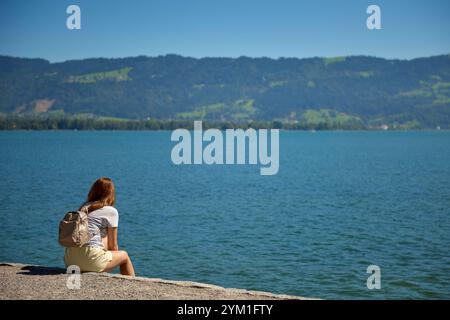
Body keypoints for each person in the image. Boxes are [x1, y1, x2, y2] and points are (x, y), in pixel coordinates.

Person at [64, 177, 135, 276]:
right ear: (110, 193)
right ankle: (131, 285)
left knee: (103, 236)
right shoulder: (110, 211)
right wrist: (112, 260)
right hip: (91, 259)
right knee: (124, 256)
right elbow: (113, 246)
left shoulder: (83, 207)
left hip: (70, 259)